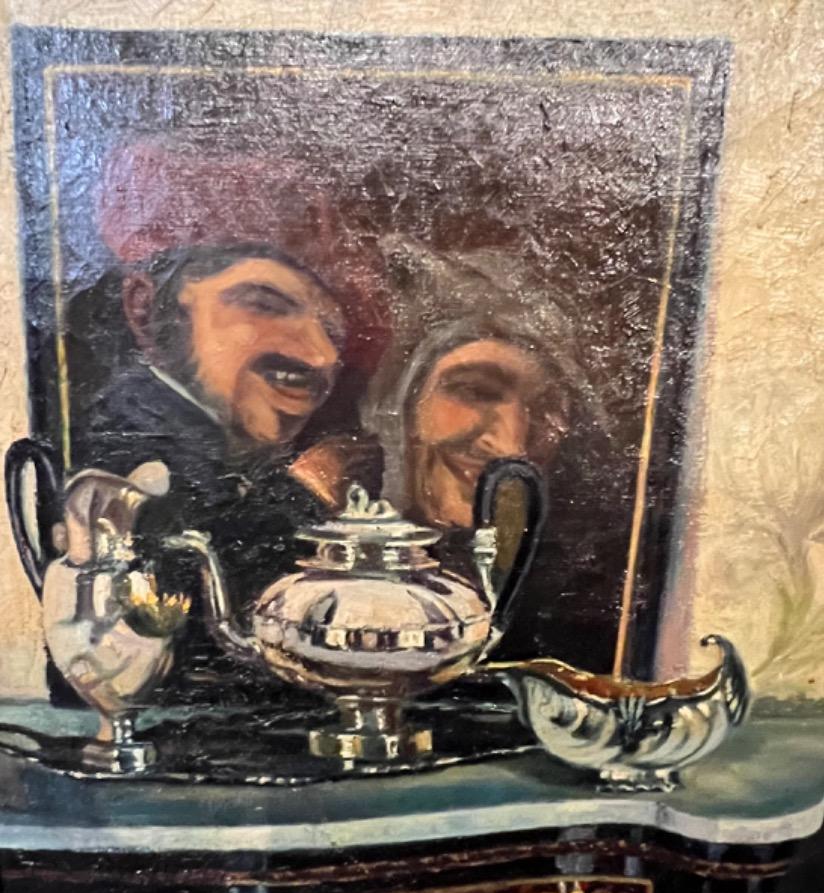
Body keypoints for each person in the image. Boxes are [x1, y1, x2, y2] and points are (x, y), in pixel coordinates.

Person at [66, 140, 388, 702]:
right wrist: (306, 492)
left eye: (333, 331)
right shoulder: (125, 448)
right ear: (144, 308)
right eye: (266, 303)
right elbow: (184, 621)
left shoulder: (232, 450)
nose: (319, 355)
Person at [363, 236, 627, 670]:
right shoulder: (310, 532)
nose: (513, 447)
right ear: (401, 405)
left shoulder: (579, 594)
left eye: (547, 410)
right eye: (475, 391)